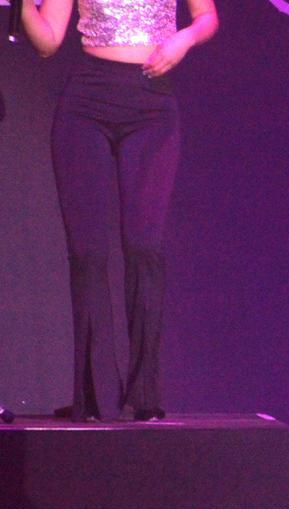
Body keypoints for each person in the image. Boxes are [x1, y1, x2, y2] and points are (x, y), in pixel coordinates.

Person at [21, 0, 219, 421]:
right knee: (89, 253)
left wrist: (184, 38)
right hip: (86, 104)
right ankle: (93, 397)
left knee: (143, 247)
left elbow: (207, 17)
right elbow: (47, 42)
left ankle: (143, 394)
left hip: (151, 105)